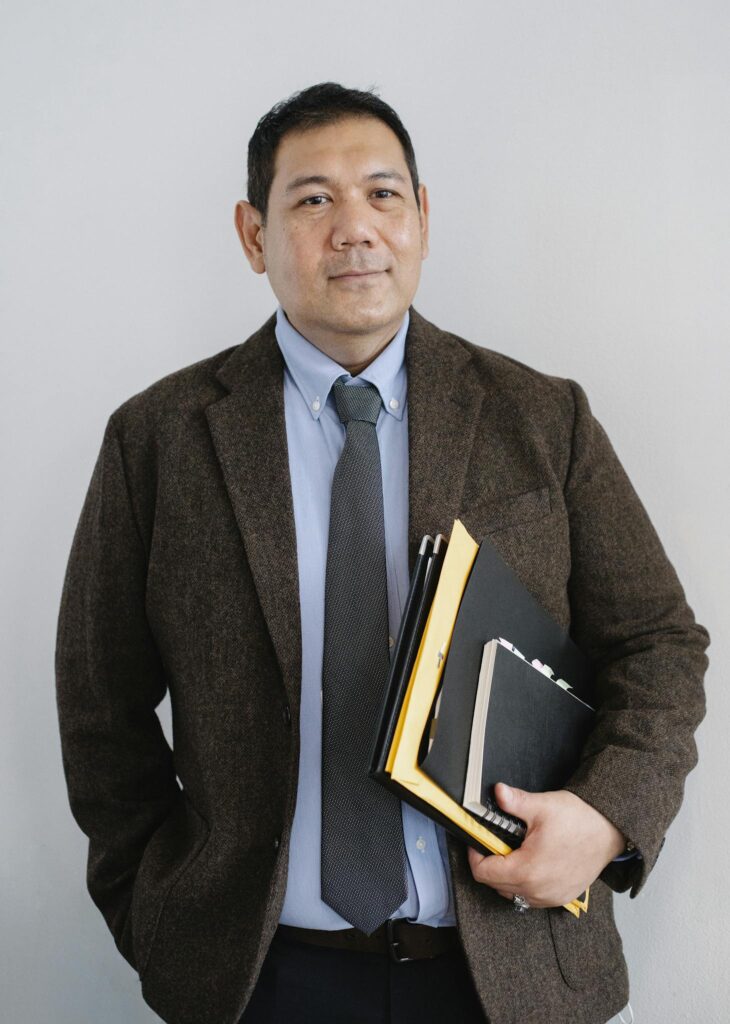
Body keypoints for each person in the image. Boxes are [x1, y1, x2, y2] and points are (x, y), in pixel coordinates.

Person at [55, 81, 709, 1024]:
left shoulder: (542, 417)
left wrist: (607, 818)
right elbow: (99, 704)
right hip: (258, 979)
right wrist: (157, 910)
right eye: (314, 199)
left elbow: (658, 644)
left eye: (383, 193)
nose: (355, 228)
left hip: (513, 973)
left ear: (423, 220)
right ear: (253, 234)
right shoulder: (158, 441)